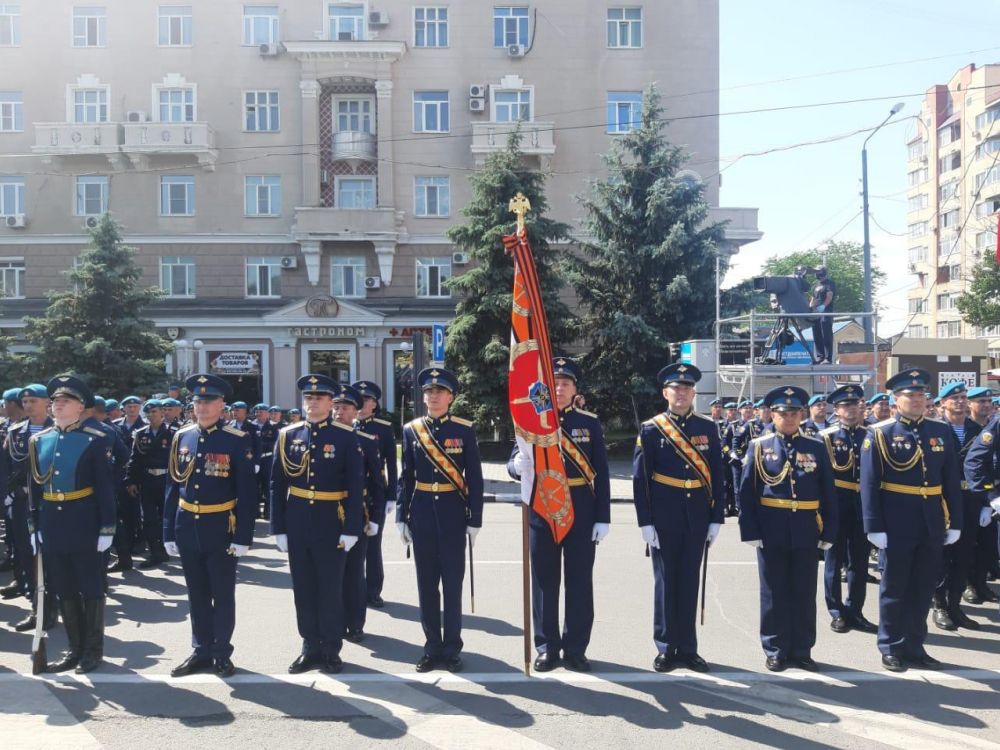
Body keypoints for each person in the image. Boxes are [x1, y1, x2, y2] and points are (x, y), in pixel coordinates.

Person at [508, 356, 611, 673]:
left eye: (566, 383)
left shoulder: (588, 422)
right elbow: (515, 458)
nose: (561, 388)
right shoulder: (532, 421)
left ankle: (576, 648)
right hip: (542, 508)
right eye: (555, 383)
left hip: (581, 507)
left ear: (574, 389)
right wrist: (516, 467)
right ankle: (547, 647)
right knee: (544, 581)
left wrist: (602, 516)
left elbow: (602, 474)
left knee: (580, 582)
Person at [861, 368, 963, 672]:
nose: (917, 400)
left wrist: (955, 522)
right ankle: (891, 645)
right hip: (896, 523)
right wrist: (873, 526)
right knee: (894, 587)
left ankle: (915, 646)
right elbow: (868, 484)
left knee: (922, 586)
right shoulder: (880, 432)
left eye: (921, 395)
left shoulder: (940, 431)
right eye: (911, 395)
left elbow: (951, 481)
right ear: (896, 399)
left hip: (931, 521)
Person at [739, 385, 838, 672]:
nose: (790, 417)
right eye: (784, 413)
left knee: (805, 592)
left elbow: (828, 492)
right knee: (773, 592)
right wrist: (751, 530)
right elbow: (747, 492)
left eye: (795, 412)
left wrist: (829, 531)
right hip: (771, 529)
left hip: (807, 527)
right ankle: (775, 648)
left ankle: (802, 649)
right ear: (773, 414)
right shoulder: (760, 446)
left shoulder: (817, 446)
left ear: (802, 415)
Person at [164, 374, 257, 678]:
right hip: (187, 524)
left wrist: (244, 534)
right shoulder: (182, 436)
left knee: (222, 592)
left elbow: (247, 492)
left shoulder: (236, 439)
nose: (201, 407)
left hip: (221, 526)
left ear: (221, 405)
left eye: (208, 401)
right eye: (197, 401)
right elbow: (172, 486)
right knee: (197, 593)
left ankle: (220, 652)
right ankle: (200, 650)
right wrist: (168, 530)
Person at [270, 375, 365, 674]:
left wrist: (352, 528)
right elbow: (277, 484)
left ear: (330, 403)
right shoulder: (288, 435)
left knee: (330, 588)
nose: (312, 402)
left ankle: (331, 648)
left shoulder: (346, 436)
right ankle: (309, 646)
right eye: (308, 398)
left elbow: (355, 484)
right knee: (303, 588)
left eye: (319, 398)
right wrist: (279, 527)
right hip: (298, 519)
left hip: (331, 520)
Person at [633, 363, 724, 673]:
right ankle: (665, 647)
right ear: (665, 393)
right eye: (676, 388)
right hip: (664, 517)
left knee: (689, 581)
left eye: (687, 388)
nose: (682, 393)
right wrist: (645, 521)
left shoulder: (708, 427)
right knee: (665, 583)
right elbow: (640, 479)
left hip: (697, 515)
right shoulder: (651, 428)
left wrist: (716, 518)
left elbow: (718, 475)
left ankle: (688, 648)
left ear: (693, 392)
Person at [396, 367, 483, 673]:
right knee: (427, 585)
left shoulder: (464, 429)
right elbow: (405, 476)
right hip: (421, 513)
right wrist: (401, 515)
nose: (433, 397)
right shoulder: (411, 430)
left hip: (453, 514)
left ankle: (452, 647)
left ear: (451, 397)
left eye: (439, 392)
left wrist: (475, 518)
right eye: (429, 392)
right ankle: (432, 647)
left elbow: (475, 476)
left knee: (452, 585)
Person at [28, 375, 116, 673]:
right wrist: (34, 525)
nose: (58, 404)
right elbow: (35, 487)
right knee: (63, 587)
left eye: (66, 401)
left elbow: (106, 487)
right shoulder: (39, 440)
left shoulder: (95, 439)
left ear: (81, 407)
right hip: (52, 521)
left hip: (84, 519)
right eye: (55, 401)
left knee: (90, 587)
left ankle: (93, 650)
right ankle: (74, 648)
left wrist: (107, 527)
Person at [820, 385, 877, 635]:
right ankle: (836, 611)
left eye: (855, 405)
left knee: (860, 562)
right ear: (837, 410)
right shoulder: (827, 437)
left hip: (863, 506)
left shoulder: (872, 434)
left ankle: (855, 610)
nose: (851, 410)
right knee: (833, 561)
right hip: (836, 505)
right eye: (845, 406)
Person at [932, 381, 987, 632]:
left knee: (964, 555)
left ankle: (955, 605)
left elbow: (988, 465)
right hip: (941, 501)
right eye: (954, 398)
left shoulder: (978, 429)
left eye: (964, 397)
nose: (960, 402)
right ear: (942, 402)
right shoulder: (934, 429)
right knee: (942, 557)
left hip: (970, 500)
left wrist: (988, 501)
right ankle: (940, 606)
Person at [0, 384, 54, 632]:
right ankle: (37, 606)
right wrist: (10, 495)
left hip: (53, 503)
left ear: (46, 402)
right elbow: (8, 469)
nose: (28, 405)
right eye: (25, 401)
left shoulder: (58, 430)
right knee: (27, 555)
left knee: (53, 557)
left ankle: (56, 605)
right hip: (22, 505)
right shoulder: (15, 432)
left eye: (33, 400)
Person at [332, 383, 383, 643]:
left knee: (354, 573)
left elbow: (377, 482)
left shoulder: (365, 441)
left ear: (356, 411)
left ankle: (355, 623)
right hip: (328, 515)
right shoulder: (322, 439)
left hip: (357, 514)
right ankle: (335, 623)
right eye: (337, 407)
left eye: (346, 408)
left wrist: (376, 517)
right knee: (332, 575)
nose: (340, 412)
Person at [353, 380, 398, 609]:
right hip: (349, 495)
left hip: (374, 493)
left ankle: (373, 590)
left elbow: (391, 463)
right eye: (358, 400)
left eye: (367, 400)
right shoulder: (343, 425)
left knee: (372, 545)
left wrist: (392, 495)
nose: (362, 404)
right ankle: (354, 589)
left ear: (374, 404)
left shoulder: (383, 427)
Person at [125, 399, 178, 569]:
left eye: (154, 412)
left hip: (167, 480)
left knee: (167, 515)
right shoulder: (141, 434)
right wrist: (132, 481)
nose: (150, 415)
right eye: (148, 412)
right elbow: (135, 460)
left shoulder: (174, 432)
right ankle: (157, 553)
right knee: (149, 519)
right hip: (148, 480)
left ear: (162, 412)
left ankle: (170, 547)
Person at [810, 265, 836, 364]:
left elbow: (829, 296)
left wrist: (824, 306)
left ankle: (828, 358)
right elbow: (813, 298)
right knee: (816, 334)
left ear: (823, 272)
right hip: (815, 312)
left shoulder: (829, 283)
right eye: (815, 272)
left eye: (818, 272)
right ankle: (820, 357)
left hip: (826, 312)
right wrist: (810, 307)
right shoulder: (816, 285)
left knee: (826, 333)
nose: (816, 274)